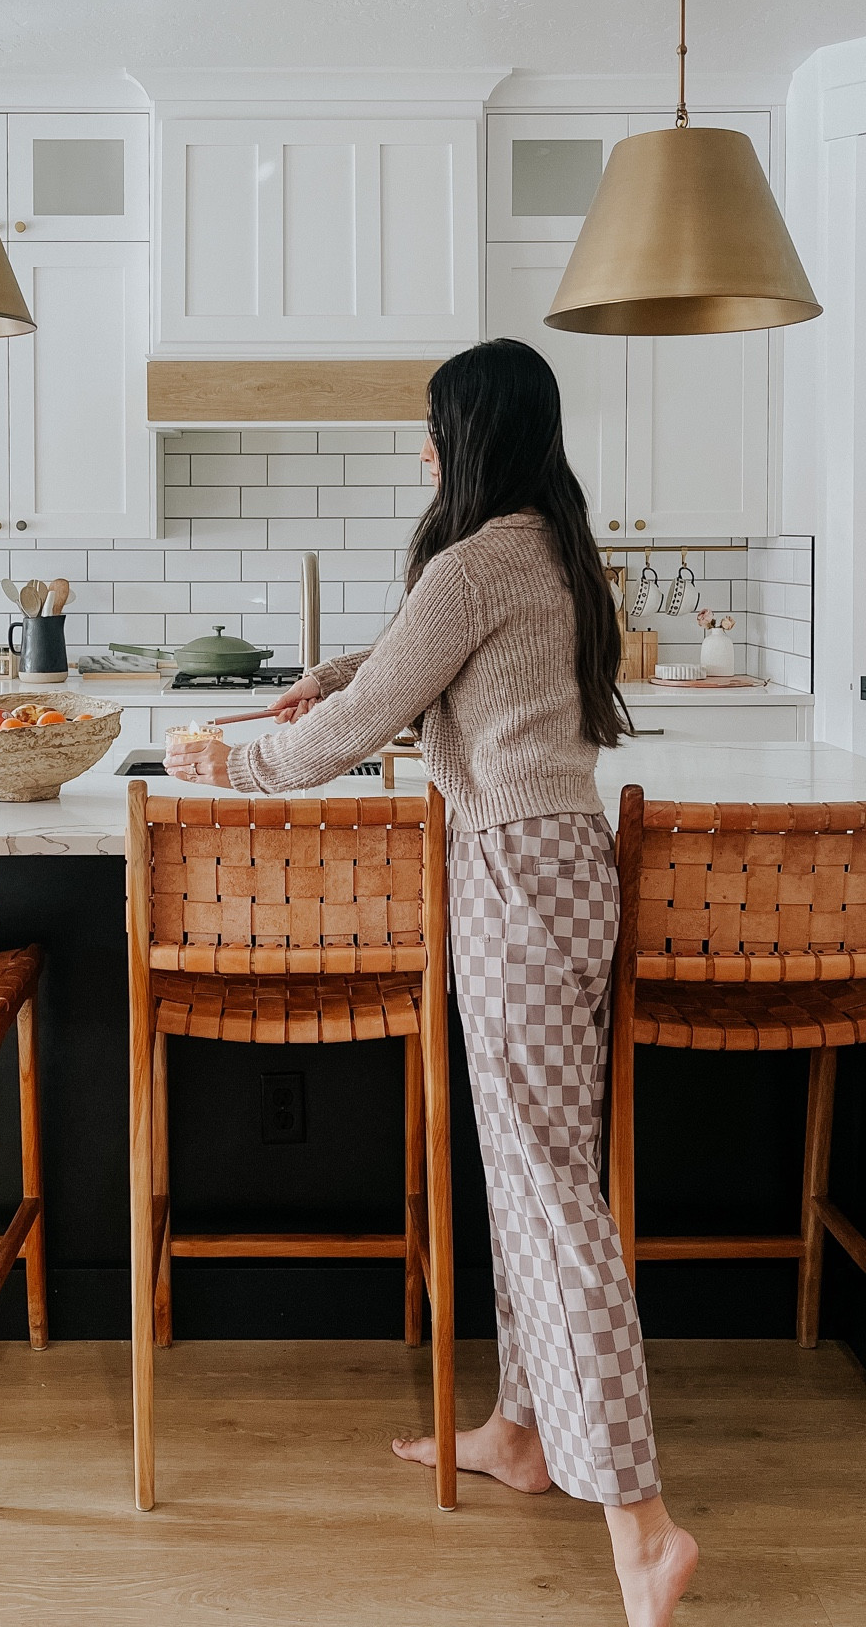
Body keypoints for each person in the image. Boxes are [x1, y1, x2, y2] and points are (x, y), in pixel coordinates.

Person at [164, 339, 698, 1627]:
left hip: (515, 881)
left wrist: (215, 759)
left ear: (469, 436)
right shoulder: (545, 549)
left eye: (429, 427)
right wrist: (338, 673)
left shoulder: (473, 564)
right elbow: (423, 666)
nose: (419, 447)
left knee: (548, 1190)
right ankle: (522, 1431)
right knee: (532, 1170)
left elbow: (342, 746)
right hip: (559, 868)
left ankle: (645, 1524)